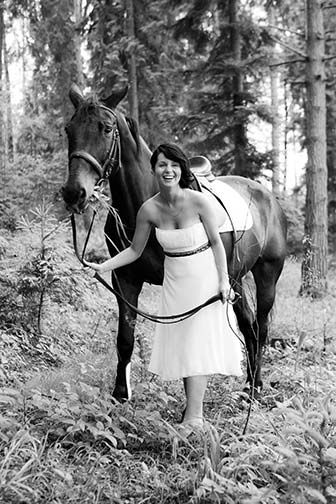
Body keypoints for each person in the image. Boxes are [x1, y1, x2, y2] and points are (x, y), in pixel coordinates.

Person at [84, 143, 243, 434]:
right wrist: (103, 267)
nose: (167, 170)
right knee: (184, 343)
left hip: (204, 276)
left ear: (181, 169)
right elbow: (134, 250)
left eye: (173, 165)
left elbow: (218, 244)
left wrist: (223, 280)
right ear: (154, 169)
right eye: (161, 165)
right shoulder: (150, 209)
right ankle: (192, 412)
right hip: (175, 282)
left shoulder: (198, 202)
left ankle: (195, 416)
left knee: (198, 342)